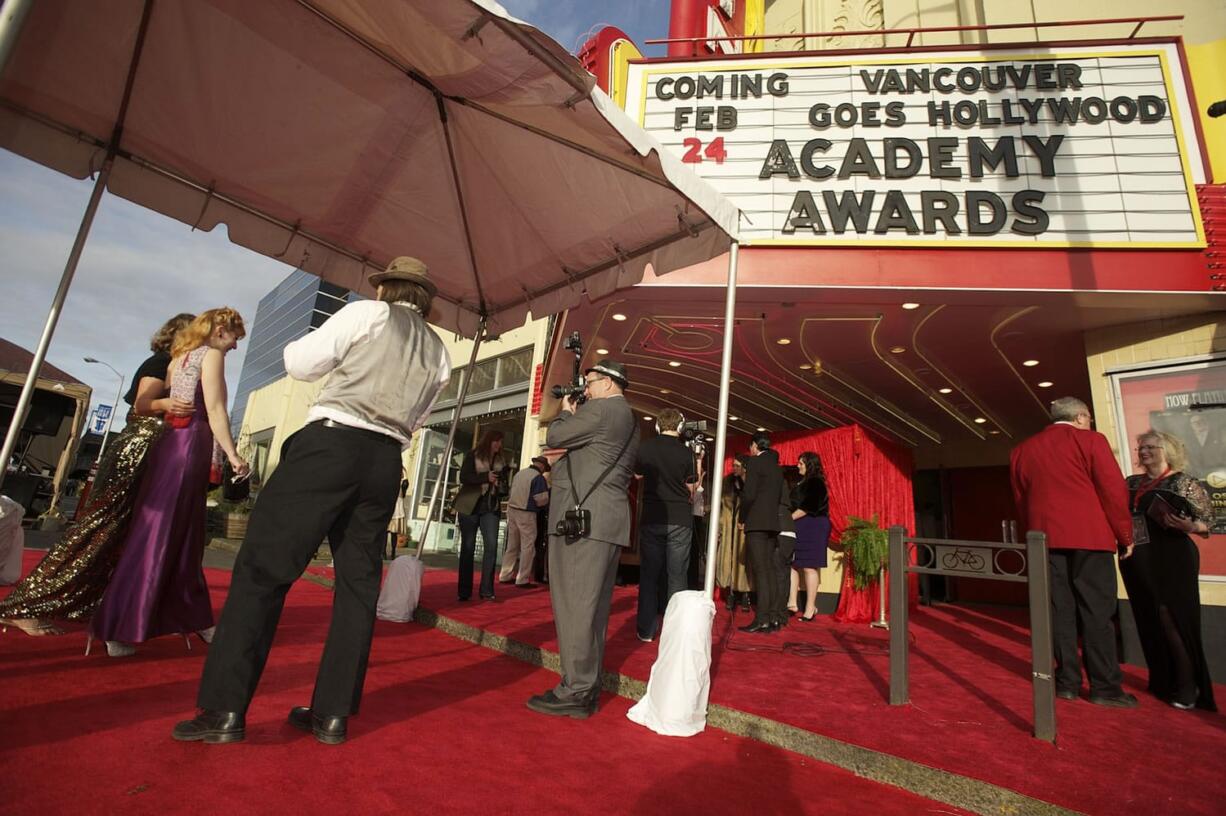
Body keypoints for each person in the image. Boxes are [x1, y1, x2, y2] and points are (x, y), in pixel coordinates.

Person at [174, 256, 449, 746]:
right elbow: (421, 415)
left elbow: (298, 365)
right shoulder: (439, 351)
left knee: (263, 570)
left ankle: (223, 709)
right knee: (359, 586)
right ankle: (333, 713)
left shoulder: (366, 314)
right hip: (385, 460)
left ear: (387, 289)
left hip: (333, 444)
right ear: (424, 298)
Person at [0, 313, 196, 637]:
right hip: (137, 451)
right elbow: (144, 404)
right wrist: (177, 403)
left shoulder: (172, 366)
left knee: (115, 534)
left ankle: (83, 601)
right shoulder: (159, 363)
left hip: (149, 453)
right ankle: (25, 605)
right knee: (97, 530)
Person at [89, 309, 249, 657]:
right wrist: (234, 455)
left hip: (171, 445)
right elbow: (217, 410)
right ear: (219, 330)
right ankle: (124, 624)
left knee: (170, 532)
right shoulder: (211, 356)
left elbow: (157, 404)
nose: (236, 345)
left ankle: (170, 618)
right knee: (168, 533)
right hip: (189, 445)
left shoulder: (178, 358)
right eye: (235, 336)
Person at [526, 359, 638, 719]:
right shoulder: (623, 417)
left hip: (584, 523)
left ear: (607, 383)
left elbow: (556, 436)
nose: (584, 390)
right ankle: (583, 686)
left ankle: (575, 690)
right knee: (591, 611)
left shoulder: (606, 410)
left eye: (589, 383)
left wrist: (563, 413)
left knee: (575, 608)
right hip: (602, 521)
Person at [1010, 396, 1136, 708]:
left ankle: (1066, 681)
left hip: (1044, 540)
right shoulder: (1091, 441)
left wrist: (1034, 537)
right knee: (1097, 612)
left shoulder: (1022, 450)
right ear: (1080, 417)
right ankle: (1105, 687)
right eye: (1089, 419)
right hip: (1090, 538)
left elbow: (1021, 500)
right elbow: (1112, 489)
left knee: (1058, 612)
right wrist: (1125, 534)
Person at [1122, 430, 1217, 711]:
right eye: (1141, 448)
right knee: (1149, 618)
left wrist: (1190, 527)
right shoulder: (1131, 482)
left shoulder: (1183, 482)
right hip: (1138, 560)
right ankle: (1163, 681)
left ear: (1168, 450)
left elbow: (1209, 522)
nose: (1144, 452)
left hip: (1174, 558)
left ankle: (1189, 687)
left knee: (1172, 617)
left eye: (1151, 447)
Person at [633, 407, 697, 642]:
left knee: (649, 574)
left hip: (652, 516)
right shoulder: (686, 453)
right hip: (679, 519)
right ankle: (674, 630)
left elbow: (638, 476)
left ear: (658, 426)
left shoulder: (646, 447)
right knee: (677, 575)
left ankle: (646, 630)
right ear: (680, 428)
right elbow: (692, 487)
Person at [739, 432, 788, 633]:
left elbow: (749, 494)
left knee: (761, 571)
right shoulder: (777, 468)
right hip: (772, 523)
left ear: (754, 446)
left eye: (750, 446)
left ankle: (762, 619)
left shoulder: (755, 463)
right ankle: (774, 617)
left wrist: (742, 517)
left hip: (756, 522)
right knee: (769, 571)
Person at [454, 430, 508, 601]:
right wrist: (486, 477)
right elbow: (464, 477)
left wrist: (501, 485)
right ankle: (464, 591)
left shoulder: (502, 461)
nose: (498, 445)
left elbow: (504, 485)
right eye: (495, 441)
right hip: (470, 505)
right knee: (468, 548)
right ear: (488, 441)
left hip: (491, 507)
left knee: (491, 546)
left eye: (500, 441)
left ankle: (486, 590)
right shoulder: (473, 455)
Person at [787, 451, 831, 621]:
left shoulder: (816, 483)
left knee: (809, 566)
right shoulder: (801, 482)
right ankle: (792, 603)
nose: (798, 465)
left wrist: (788, 519)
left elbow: (809, 507)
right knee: (792, 564)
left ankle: (810, 607)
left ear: (810, 465)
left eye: (801, 463)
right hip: (800, 525)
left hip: (814, 525)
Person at [499, 455, 550, 587]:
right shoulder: (538, 478)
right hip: (526, 513)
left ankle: (505, 575)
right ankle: (522, 578)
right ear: (542, 466)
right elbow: (541, 500)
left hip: (512, 510)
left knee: (512, 546)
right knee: (528, 547)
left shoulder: (520, 474)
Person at [716, 456, 751, 612]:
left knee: (744, 561)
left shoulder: (751, 484)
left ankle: (745, 594)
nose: (734, 468)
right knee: (729, 559)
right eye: (733, 465)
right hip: (729, 525)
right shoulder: (727, 483)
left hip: (744, 528)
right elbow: (721, 507)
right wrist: (719, 527)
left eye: (737, 465)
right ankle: (730, 592)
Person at [1184, 412, 1226, 480]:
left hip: (1219, 474)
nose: (1198, 424)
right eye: (1194, 422)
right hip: (1197, 476)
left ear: (1206, 422)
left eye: (1200, 421)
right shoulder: (1188, 440)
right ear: (1191, 425)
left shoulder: (1219, 435)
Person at [385, 467, 408, 560]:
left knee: (394, 533)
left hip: (397, 509)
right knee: (385, 532)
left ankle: (393, 551)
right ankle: (383, 551)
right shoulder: (389, 482)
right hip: (388, 508)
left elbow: (406, 483)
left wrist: (405, 472)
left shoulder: (403, 484)